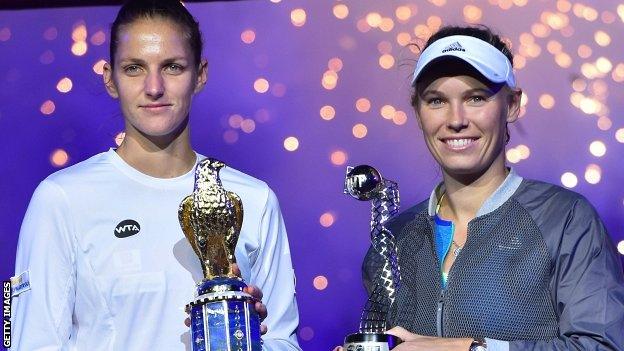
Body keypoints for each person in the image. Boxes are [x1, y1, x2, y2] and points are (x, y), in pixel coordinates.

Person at [10, 0, 300, 350]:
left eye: (173, 67)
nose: (154, 87)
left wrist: (242, 335)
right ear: (110, 78)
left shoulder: (252, 199)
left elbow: (284, 341)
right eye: (134, 68)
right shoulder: (62, 199)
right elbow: (35, 343)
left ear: (200, 74)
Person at [347, 25, 624, 351]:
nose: (456, 119)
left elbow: (604, 345)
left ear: (512, 105)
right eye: (436, 101)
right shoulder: (394, 239)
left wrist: (471, 348)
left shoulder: (565, 220)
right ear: (418, 113)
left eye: (476, 97)